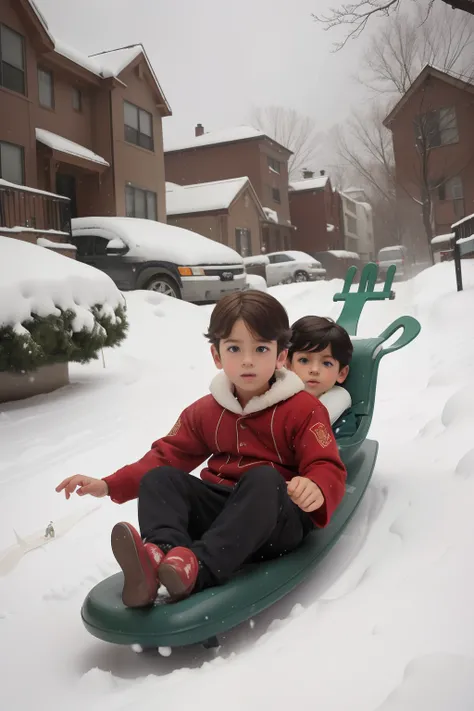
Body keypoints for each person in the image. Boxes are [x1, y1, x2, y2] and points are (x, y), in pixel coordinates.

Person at [56, 292, 347, 607]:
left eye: (261, 348)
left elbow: (327, 464)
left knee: (262, 478)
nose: (247, 360)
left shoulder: (303, 409)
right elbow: (166, 454)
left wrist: (315, 485)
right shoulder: (205, 411)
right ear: (217, 356)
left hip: (275, 520)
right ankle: (160, 558)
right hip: (222, 511)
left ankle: (199, 568)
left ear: (280, 357)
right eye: (235, 348)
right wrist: (109, 484)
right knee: (160, 478)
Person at [287, 315, 357, 437]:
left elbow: (342, 449)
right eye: (304, 360)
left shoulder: (341, 420)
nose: (314, 370)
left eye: (326, 363)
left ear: (341, 373)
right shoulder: (271, 400)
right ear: (288, 365)